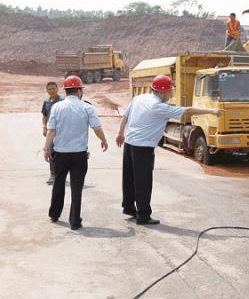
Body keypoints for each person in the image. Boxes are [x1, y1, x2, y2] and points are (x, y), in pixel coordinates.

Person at [116, 75, 221, 225]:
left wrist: (120, 134)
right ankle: (143, 215)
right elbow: (188, 111)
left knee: (129, 178)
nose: (171, 95)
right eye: (170, 92)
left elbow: (125, 117)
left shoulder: (139, 98)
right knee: (143, 181)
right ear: (162, 92)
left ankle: (129, 208)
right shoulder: (159, 107)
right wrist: (211, 112)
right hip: (143, 147)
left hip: (129, 143)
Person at [43, 76, 109, 230]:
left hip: (60, 154)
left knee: (58, 184)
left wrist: (46, 149)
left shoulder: (57, 107)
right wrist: (104, 140)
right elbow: (97, 128)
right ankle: (74, 221)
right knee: (76, 187)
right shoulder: (87, 107)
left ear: (66, 91)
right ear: (79, 91)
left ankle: (54, 214)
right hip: (79, 155)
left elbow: (51, 131)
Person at [41, 81, 63, 185]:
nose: (52, 90)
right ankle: (53, 174)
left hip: (61, 131)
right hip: (51, 131)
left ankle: (61, 173)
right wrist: (44, 127)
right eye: (49, 89)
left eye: (53, 88)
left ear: (57, 89)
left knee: (61, 152)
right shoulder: (46, 102)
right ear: (47, 90)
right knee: (50, 150)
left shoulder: (62, 101)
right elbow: (44, 115)